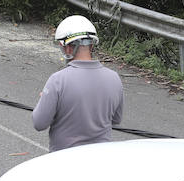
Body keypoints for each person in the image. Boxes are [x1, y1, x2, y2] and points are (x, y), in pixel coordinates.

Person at [31, 15, 124, 151]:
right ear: (91, 45)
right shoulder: (114, 78)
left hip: (64, 159)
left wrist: (45, 100)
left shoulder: (58, 80)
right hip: (101, 158)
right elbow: (116, 120)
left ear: (68, 48)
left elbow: (39, 123)